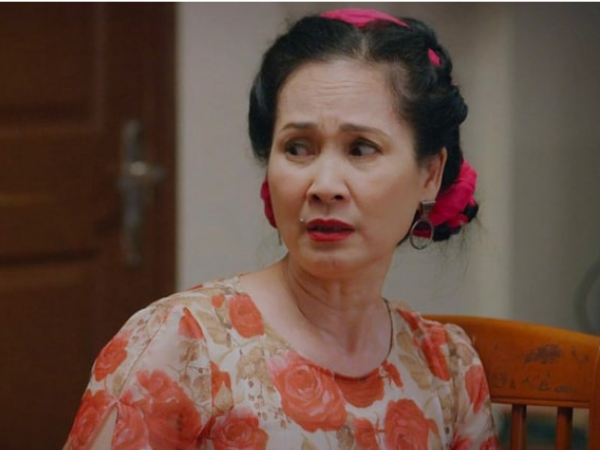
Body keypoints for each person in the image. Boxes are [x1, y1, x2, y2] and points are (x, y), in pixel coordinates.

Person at [64, 8, 499, 450]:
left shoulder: (447, 368)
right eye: (297, 148)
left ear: (430, 174)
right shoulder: (181, 346)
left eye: (361, 148)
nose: (324, 185)